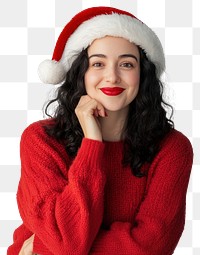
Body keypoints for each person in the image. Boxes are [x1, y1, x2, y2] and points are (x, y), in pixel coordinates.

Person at [7, 6, 193, 255]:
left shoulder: (172, 148)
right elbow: (67, 241)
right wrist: (92, 144)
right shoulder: (40, 140)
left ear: (143, 74)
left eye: (126, 64)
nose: (112, 76)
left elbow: (152, 247)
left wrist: (44, 245)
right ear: (80, 73)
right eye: (98, 64)